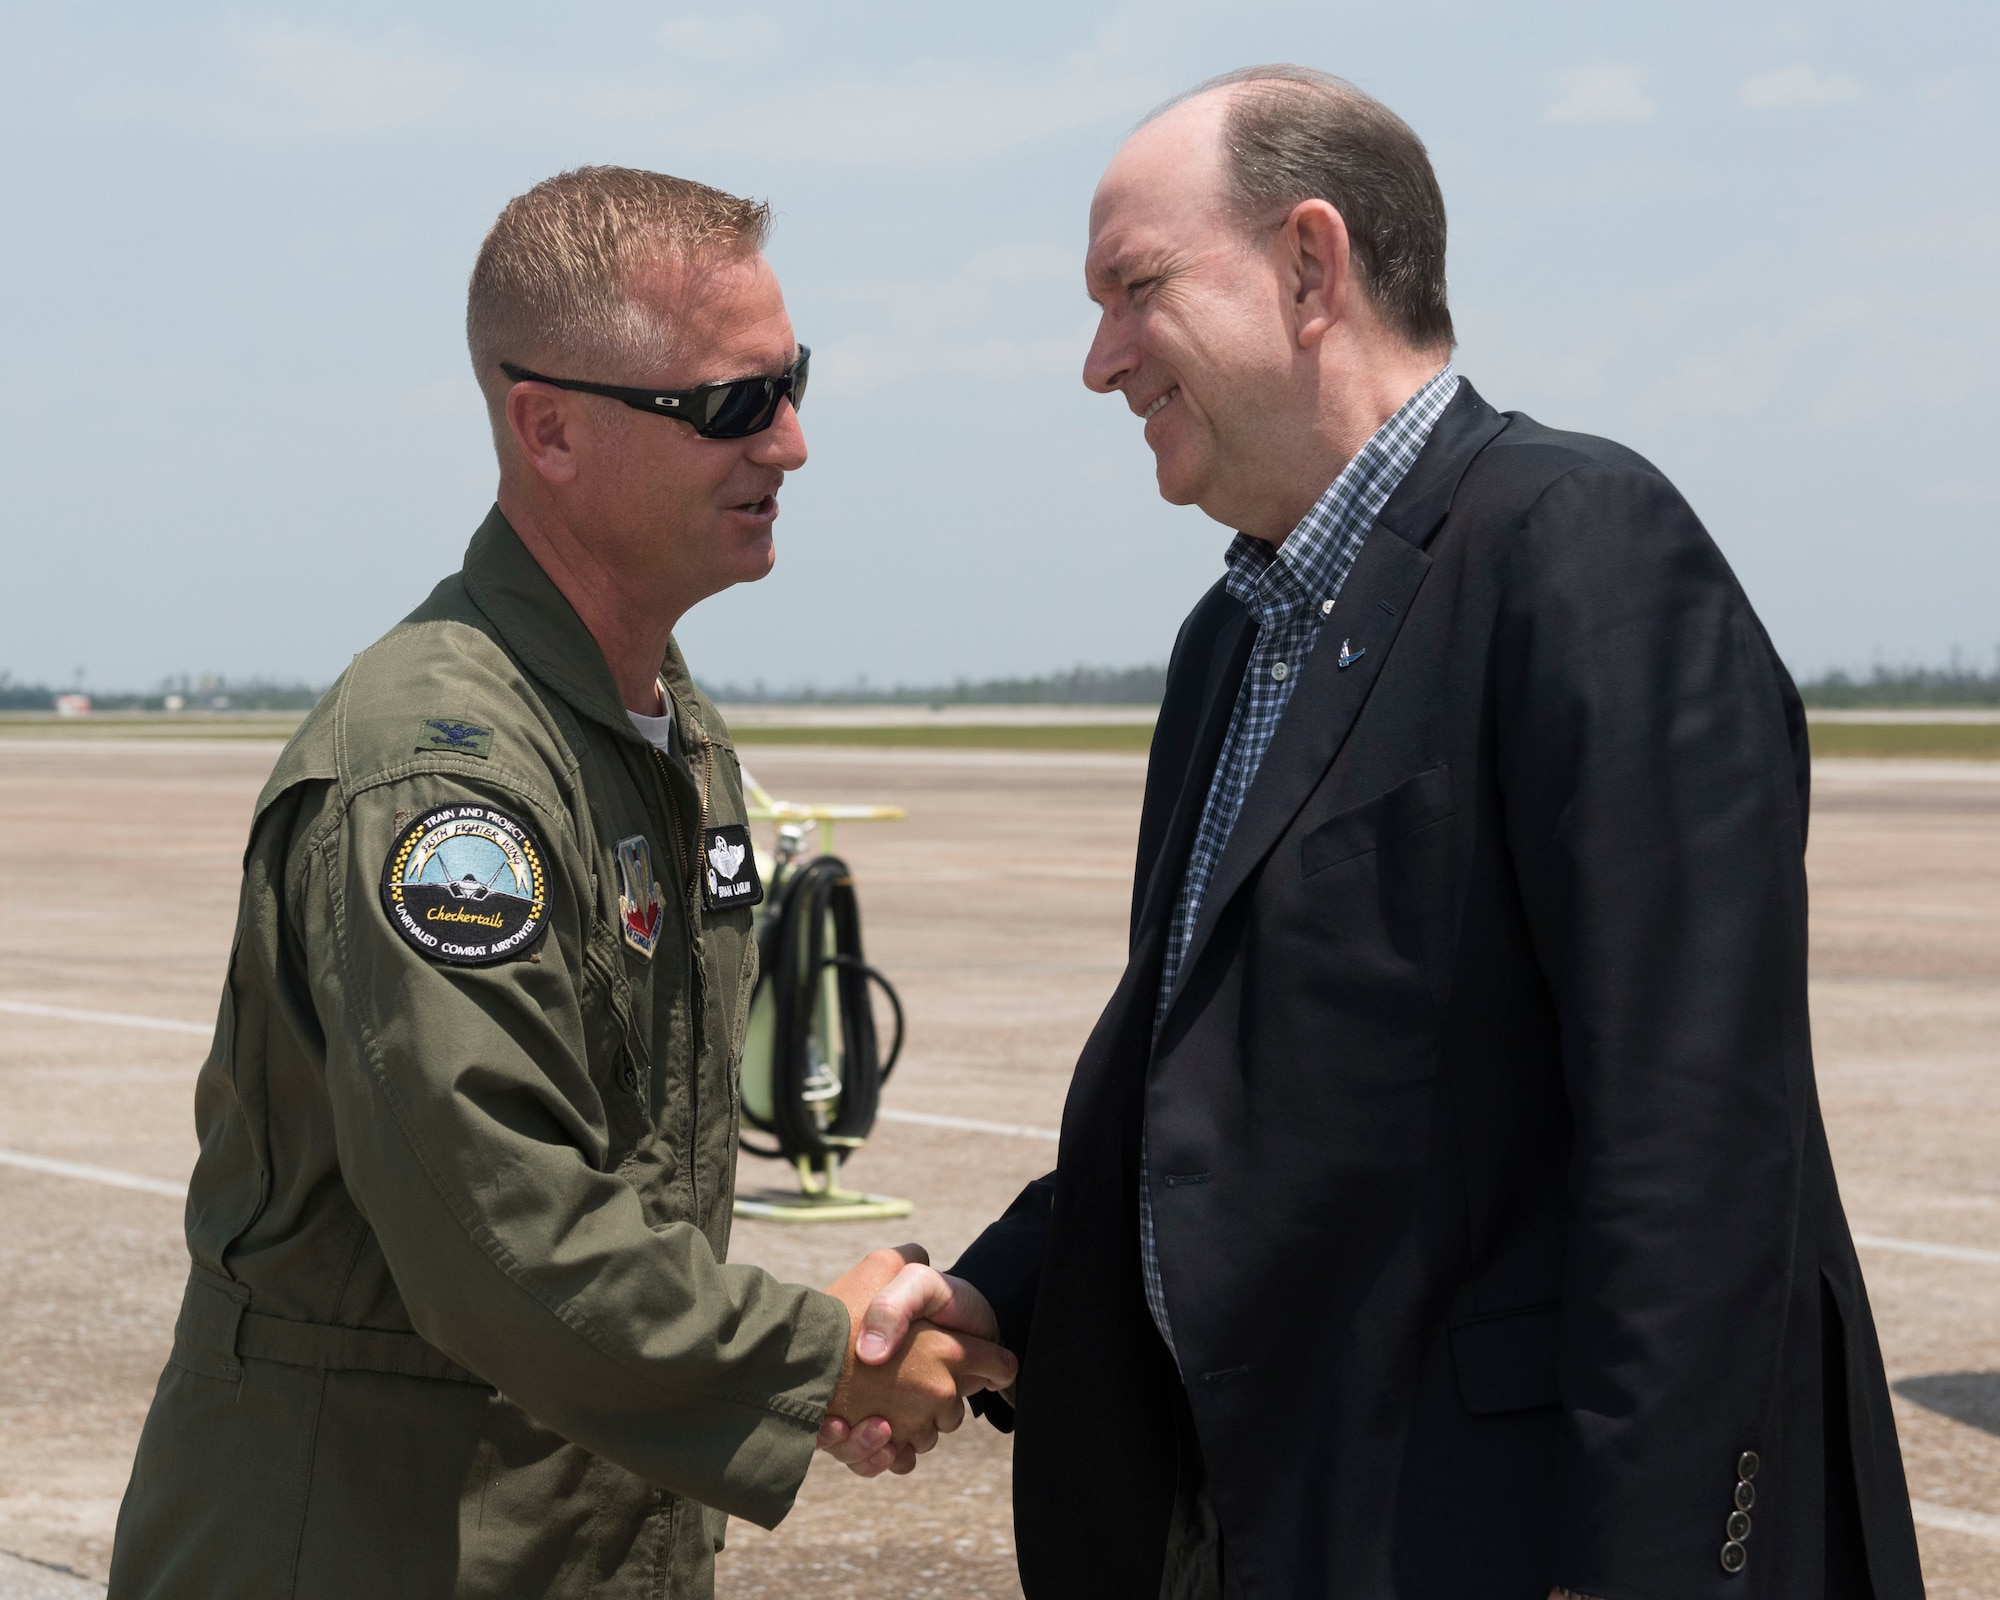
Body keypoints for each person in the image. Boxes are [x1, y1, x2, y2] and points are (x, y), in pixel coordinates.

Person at [825, 67, 1926, 1600]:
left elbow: (1691, 1156)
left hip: (1507, 1536)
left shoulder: (1577, 552)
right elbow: (1213, 1095)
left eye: (1134, 289)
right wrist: (991, 1290)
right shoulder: (1236, 636)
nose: (1096, 363)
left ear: (1310, 267)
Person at [107, 166, 1013, 1600]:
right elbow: (505, 1236)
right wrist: (823, 1358)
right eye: (730, 403)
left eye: (793, 383)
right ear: (550, 429)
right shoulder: (439, 783)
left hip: (579, 1532)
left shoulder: (663, 728)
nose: (790, 443)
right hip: (377, 1542)